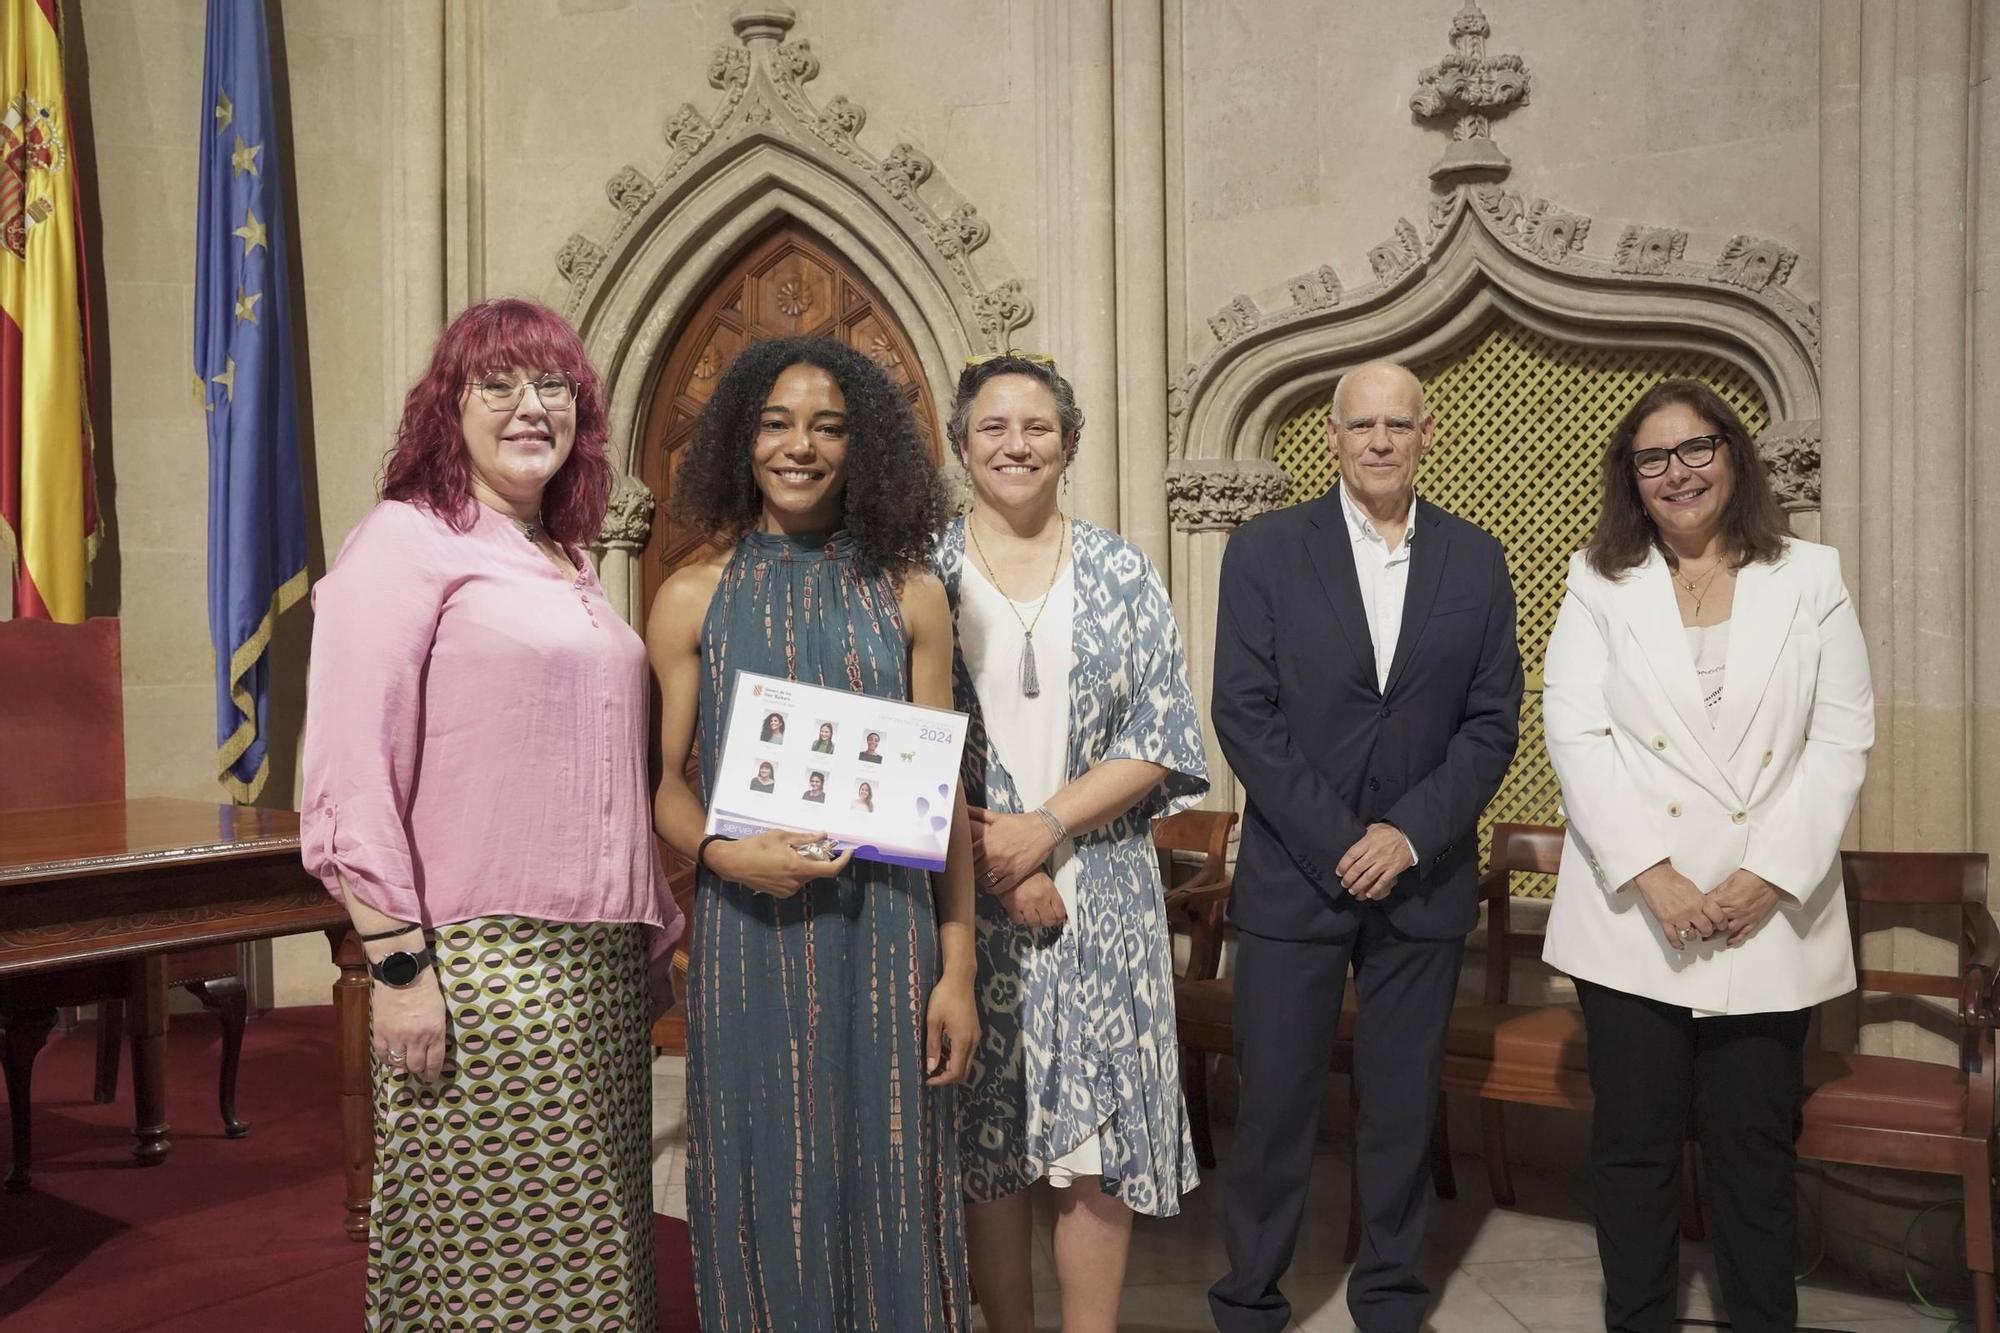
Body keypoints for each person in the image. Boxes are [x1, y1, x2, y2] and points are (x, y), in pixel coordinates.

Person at [300, 298, 683, 1332]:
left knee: (596, 1263)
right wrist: (398, 971)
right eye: (498, 385)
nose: (529, 408)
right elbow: (346, 769)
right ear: (448, 407)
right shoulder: (405, 540)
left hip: (595, 971)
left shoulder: (568, 560)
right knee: (500, 1269)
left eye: (552, 386)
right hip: (481, 968)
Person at [645, 334, 977, 1331]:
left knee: (892, 1172)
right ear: (742, 439)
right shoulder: (691, 595)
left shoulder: (910, 592)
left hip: (884, 932)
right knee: (763, 1171)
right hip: (747, 933)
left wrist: (955, 967)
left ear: (861, 444)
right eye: (776, 423)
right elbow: (660, 782)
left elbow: (944, 795)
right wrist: (717, 853)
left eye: (827, 426)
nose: (800, 446)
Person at [1541, 380, 1873, 1333]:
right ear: (1632, 478)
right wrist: (1654, 874)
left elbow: (1841, 738)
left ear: (1733, 455)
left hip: (1764, 914)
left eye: (1697, 450)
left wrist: (1766, 875)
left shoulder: (1810, 574)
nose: (1678, 472)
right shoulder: (1598, 581)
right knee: (1635, 1153)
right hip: (1633, 917)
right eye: (1654, 458)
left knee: (1755, 1153)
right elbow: (1578, 735)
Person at [1209, 360, 1522, 1333]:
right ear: (1332, 439)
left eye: (1399, 424)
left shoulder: (1475, 559)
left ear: (1427, 435)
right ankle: (1250, 1300)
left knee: (1398, 1108)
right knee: (1271, 1111)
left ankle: (1387, 1297)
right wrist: (1346, 840)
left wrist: (1405, 835)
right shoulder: (1263, 549)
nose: (1380, 440)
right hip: (1292, 877)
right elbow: (1243, 714)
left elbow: (1490, 722)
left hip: (1420, 881)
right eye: (1361, 425)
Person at [935, 354, 1209, 1333]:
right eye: (994, 427)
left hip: (1103, 889)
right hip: (966, 897)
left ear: (1069, 442)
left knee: (1092, 1149)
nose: (1016, 445)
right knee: (990, 1132)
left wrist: (1044, 828)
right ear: (960, 443)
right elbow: (911, 744)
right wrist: (1002, 868)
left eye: (1037, 427)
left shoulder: (1119, 569)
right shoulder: (921, 572)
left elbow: (1163, 735)